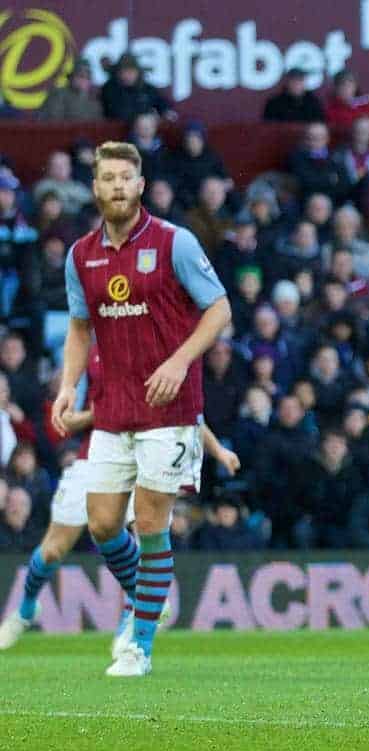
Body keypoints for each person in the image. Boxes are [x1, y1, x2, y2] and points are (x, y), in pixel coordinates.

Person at [53, 141, 232, 677]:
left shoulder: (174, 243)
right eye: (106, 178)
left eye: (124, 178)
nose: (115, 187)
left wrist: (179, 362)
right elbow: (81, 327)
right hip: (112, 410)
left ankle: (139, 644)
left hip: (170, 409)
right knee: (104, 525)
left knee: (151, 522)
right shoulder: (80, 255)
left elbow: (219, 307)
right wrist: (69, 388)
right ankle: (150, 597)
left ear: (140, 184)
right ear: (95, 187)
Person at [0, 347, 239, 651]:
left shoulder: (151, 343)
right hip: (95, 455)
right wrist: (75, 417)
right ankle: (25, 609)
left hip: (142, 456)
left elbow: (186, 409)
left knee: (143, 536)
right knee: (52, 550)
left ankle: (134, 627)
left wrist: (218, 451)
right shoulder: (93, 348)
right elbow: (101, 407)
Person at [99, 53, 174, 123]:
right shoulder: (110, 90)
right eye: (124, 71)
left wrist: (165, 112)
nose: (127, 76)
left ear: (138, 72)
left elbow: (162, 104)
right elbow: (118, 113)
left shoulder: (147, 89)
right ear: (118, 73)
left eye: (131, 72)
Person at [38, 63, 103, 122]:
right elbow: (53, 119)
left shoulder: (93, 99)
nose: (84, 80)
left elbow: (98, 121)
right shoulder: (58, 94)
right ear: (71, 78)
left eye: (87, 77)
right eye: (81, 76)